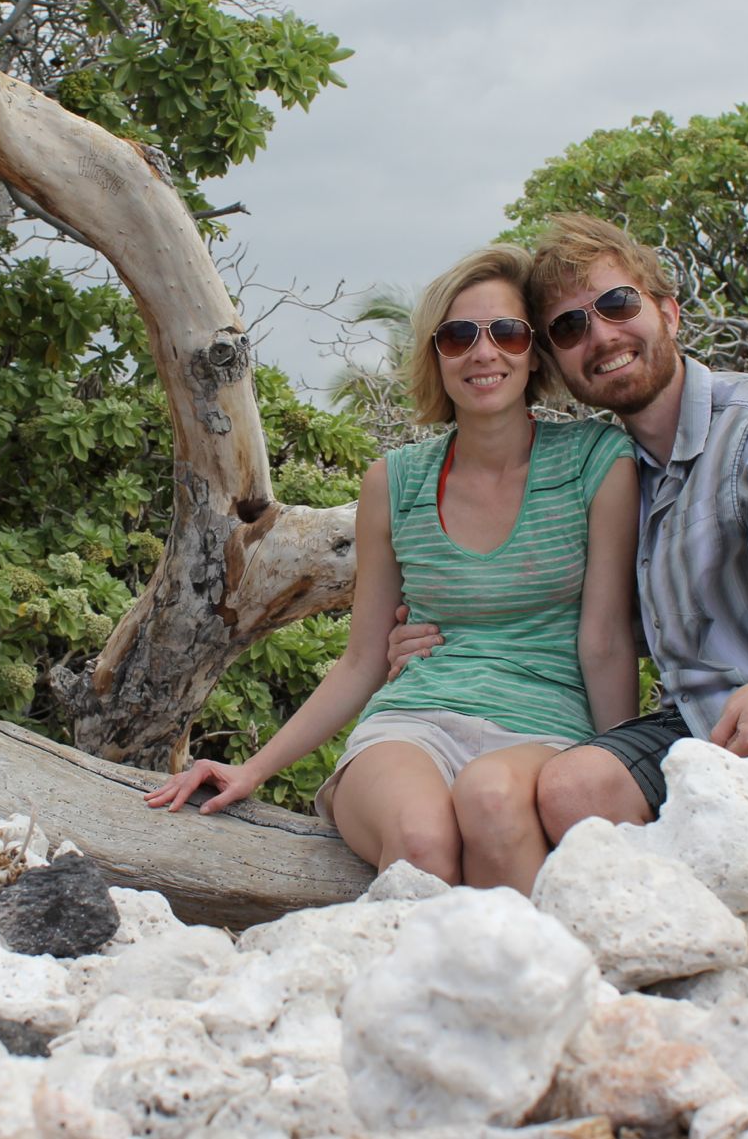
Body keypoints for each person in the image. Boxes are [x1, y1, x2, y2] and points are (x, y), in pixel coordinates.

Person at [390, 214, 748, 917]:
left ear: (667, 311)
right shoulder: (615, 472)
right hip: (695, 726)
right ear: (557, 362)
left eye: (617, 304)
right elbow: (567, 617)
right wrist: (435, 637)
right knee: (570, 787)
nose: (601, 335)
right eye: (571, 327)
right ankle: (661, 945)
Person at [146, 243, 639, 894]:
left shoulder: (596, 461)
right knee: (421, 841)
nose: (484, 353)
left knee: (492, 801)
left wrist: (617, 765)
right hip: (413, 724)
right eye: (459, 336)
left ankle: (527, 962)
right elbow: (362, 660)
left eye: (507, 333)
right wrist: (253, 768)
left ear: (534, 352)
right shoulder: (395, 481)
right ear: (435, 355)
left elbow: (605, 641)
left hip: (545, 730)